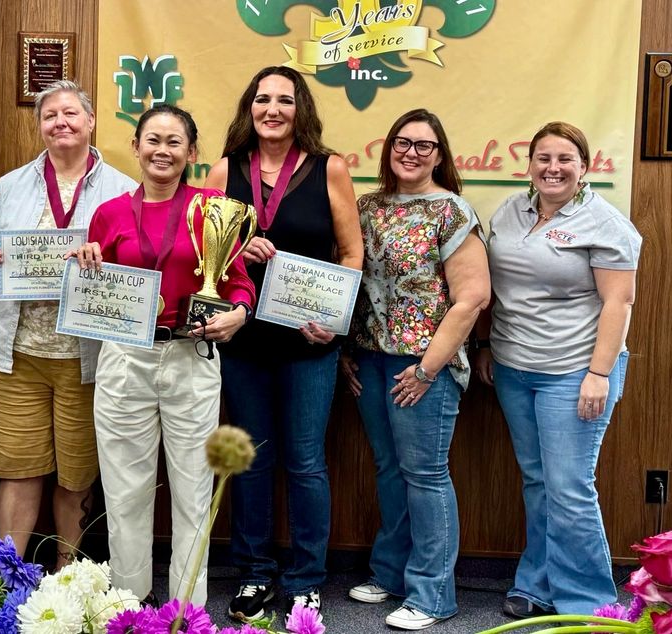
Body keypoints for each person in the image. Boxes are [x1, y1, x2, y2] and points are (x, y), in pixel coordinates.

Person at [73, 103, 256, 605]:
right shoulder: (108, 214)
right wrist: (86, 262)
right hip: (125, 359)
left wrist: (238, 314)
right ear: (135, 148)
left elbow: (238, 285)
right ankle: (129, 605)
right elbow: (95, 291)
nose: (162, 150)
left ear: (191, 153)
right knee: (125, 492)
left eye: (175, 142)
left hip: (190, 357)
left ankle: (186, 611)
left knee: (193, 492)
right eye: (152, 139)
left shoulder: (214, 210)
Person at [203, 65, 364, 620]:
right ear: (250, 108)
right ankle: (252, 574)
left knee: (305, 463)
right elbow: (204, 252)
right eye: (263, 99)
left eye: (285, 101)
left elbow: (351, 252)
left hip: (310, 342)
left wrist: (336, 319)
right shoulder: (225, 170)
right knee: (249, 460)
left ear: (302, 111)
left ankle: (307, 578)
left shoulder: (330, 168)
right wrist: (236, 252)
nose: (273, 109)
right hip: (245, 338)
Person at [474, 122, 641, 618]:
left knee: (569, 486)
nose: (553, 168)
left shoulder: (605, 223)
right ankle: (538, 583)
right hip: (512, 365)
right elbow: (492, 286)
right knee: (537, 480)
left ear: (584, 167)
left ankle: (590, 603)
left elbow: (620, 302)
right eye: (543, 158)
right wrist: (484, 344)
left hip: (575, 371)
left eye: (565, 158)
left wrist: (598, 373)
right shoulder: (512, 210)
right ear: (529, 166)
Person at [0, 80, 136, 569]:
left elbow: (135, 269)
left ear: (90, 122)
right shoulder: (11, 184)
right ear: (40, 126)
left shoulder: (124, 190)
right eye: (50, 116)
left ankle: (70, 579)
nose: (60, 122)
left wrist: (106, 265)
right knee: (16, 470)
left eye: (70, 113)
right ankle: (7, 579)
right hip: (12, 354)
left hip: (87, 359)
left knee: (76, 476)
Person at [341, 109, 490, 630]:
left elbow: (472, 298)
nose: (411, 152)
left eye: (424, 146)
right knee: (389, 469)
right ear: (388, 149)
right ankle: (392, 573)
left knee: (425, 474)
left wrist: (428, 369)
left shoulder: (451, 211)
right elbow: (346, 280)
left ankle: (433, 595)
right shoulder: (367, 206)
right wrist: (343, 351)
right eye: (402, 143)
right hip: (371, 359)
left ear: (440, 156)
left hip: (424, 363)